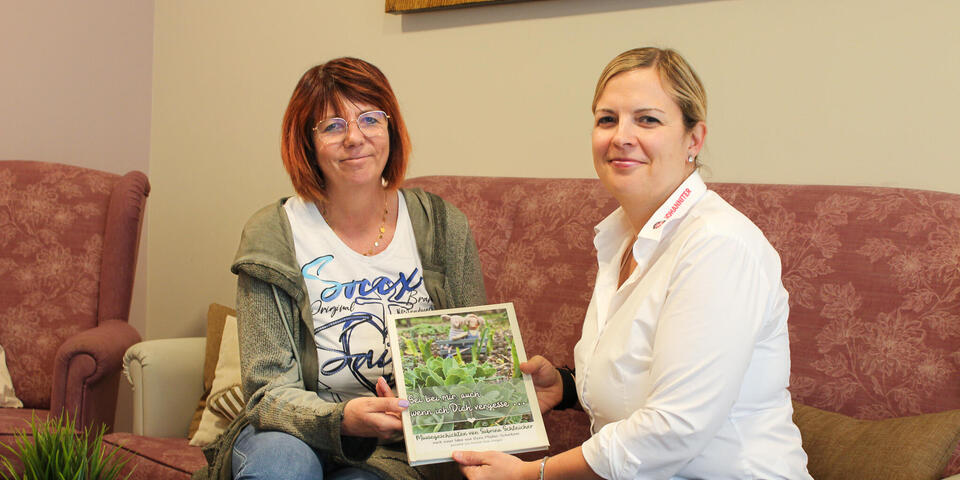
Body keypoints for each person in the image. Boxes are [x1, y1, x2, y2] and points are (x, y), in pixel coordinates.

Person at [452, 47, 812, 479]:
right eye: (607, 119)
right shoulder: (621, 236)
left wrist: (534, 474)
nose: (621, 136)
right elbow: (640, 374)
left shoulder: (718, 245)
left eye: (647, 120)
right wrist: (567, 388)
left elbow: (675, 427)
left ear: (694, 140)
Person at [194, 57, 486, 480]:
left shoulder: (441, 225)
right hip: (291, 434)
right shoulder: (273, 234)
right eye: (332, 126)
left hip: (398, 449)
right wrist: (342, 418)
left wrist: (426, 402)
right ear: (306, 144)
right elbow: (268, 394)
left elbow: (473, 365)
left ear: (391, 128)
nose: (355, 137)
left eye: (369, 119)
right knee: (280, 467)